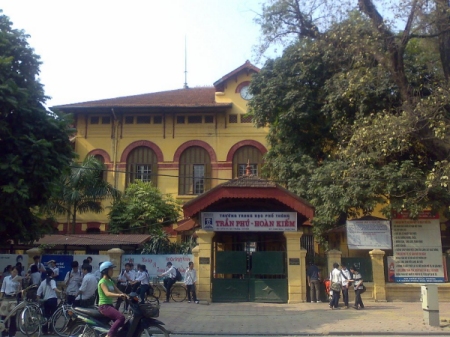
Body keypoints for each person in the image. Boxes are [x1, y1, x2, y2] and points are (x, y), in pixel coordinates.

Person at [97, 261, 126, 337]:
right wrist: (119, 295)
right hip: (104, 306)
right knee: (121, 317)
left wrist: (127, 296)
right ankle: (109, 335)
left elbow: (118, 290)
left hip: (109, 305)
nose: (112, 271)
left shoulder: (110, 281)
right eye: (111, 270)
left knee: (122, 323)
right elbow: (107, 293)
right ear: (105, 271)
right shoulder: (102, 282)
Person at [37, 269, 61, 334]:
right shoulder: (52, 280)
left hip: (45, 301)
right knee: (54, 315)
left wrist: (39, 301)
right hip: (53, 300)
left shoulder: (43, 282)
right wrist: (60, 291)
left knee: (45, 316)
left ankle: (44, 330)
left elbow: (38, 293)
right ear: (52, 274)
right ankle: (51, 330)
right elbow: (54, 288)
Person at [0, 266, 22, 337]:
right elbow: (3, 289)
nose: (15, 273)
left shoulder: (18, 279)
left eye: (16, 272)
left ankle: (12, 333)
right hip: (6, 298)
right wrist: (1, 298)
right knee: (4, 316)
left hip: (13, 299)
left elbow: (19, 291)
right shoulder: (6, 279)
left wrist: (20, 283)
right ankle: (4, 331)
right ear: (11, 271)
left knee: (12, 317)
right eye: (14, 271)